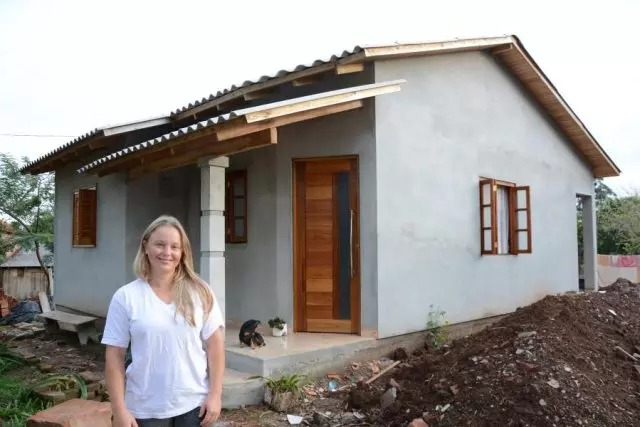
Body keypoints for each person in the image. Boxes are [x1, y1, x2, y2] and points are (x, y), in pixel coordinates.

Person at [102, 215, 225, 427]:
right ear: (146, 246)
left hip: (194, 405)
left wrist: (215, 395)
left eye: (174, 246)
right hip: (144, 408)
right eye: (160, 244)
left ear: (182, 251)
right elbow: (114, 356)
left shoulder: (200, 292)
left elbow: (215, 346)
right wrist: (119, 409)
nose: (167, 252)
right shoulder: (126, 297)